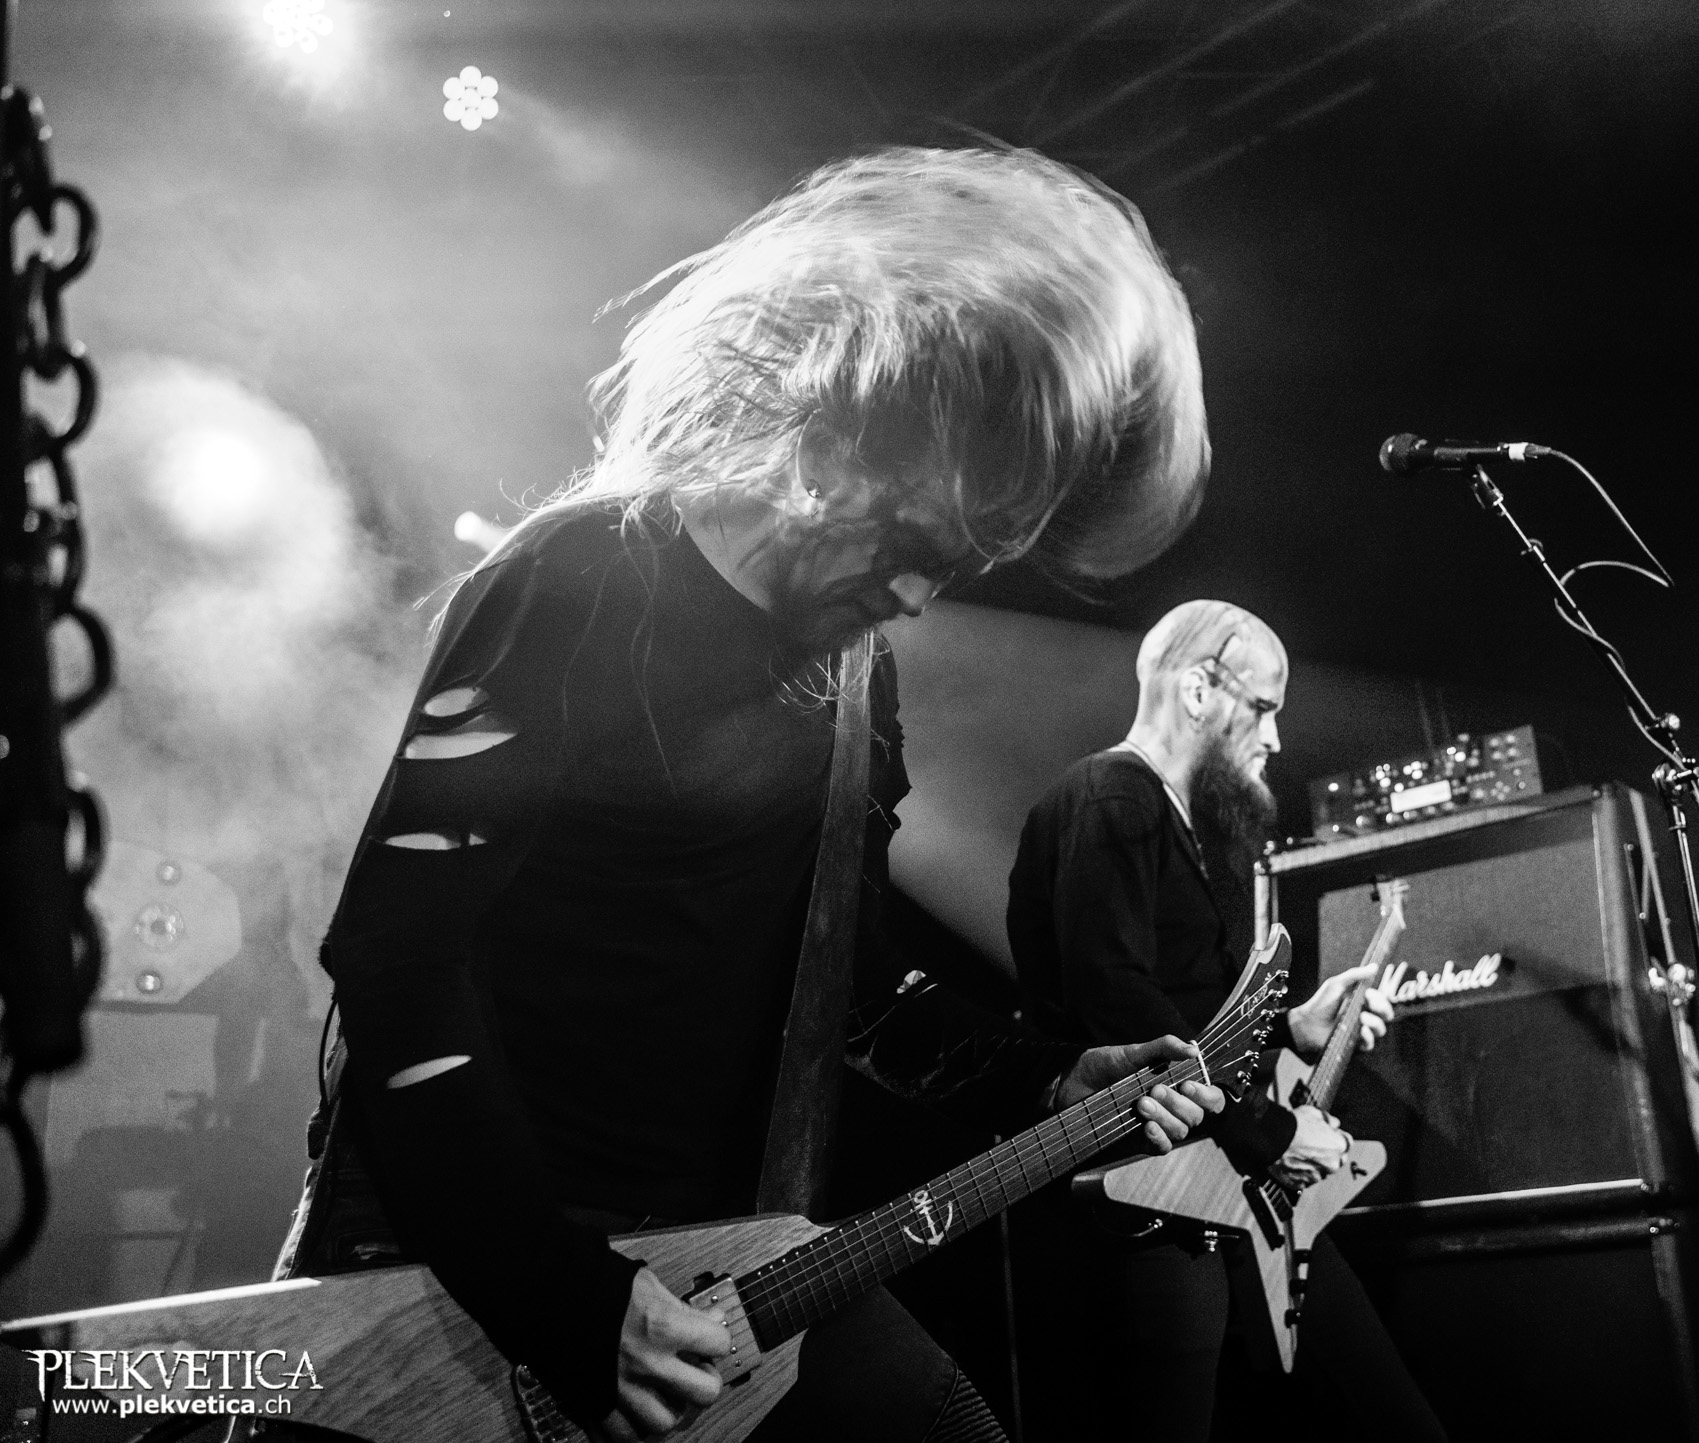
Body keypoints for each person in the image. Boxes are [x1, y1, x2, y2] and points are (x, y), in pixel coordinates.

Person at [296, 146, 1223, 1443]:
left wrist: (1049, 1076)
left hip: (730, 1261)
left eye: (960, 568)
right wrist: (558, 1291)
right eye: (916, 545)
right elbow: (399, 960)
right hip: (476, 1260)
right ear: (840, 437)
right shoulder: (579, 581)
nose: (917, 596)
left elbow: (850, 986)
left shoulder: (856, 679)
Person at [1006, 599, 1447, 1442]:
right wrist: (1272, 1132)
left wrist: (1290, 1027)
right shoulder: (1110, 796)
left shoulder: (1166, 815)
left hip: (1228, 1176)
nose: (1275, 737)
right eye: (1265, 706)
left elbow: (1182, 1009)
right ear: (1201, 689)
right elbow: (1118, 1004)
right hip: (1156, 1192)